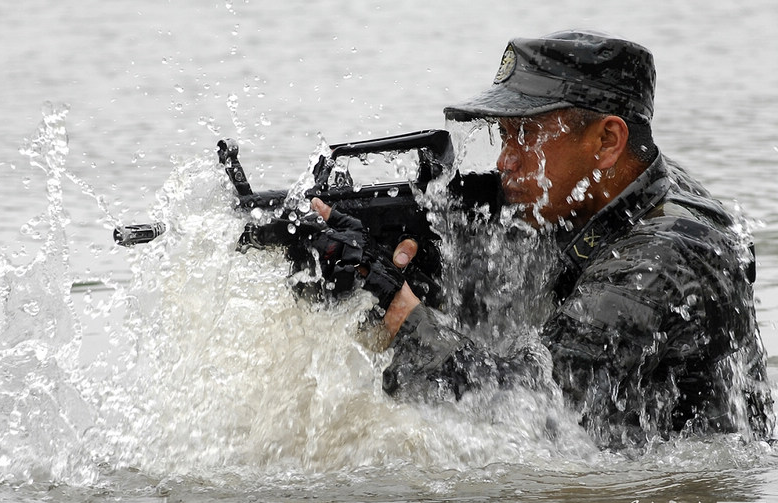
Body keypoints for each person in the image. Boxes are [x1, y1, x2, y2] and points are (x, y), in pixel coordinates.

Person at [310, 30, 775, 448]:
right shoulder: (621, 191)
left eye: (526, 135)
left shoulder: (661, 257)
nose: (505, 161)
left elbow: (526, 410)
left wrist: (399, 310)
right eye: (503, 136)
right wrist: (433, 266)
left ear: (607, 141)